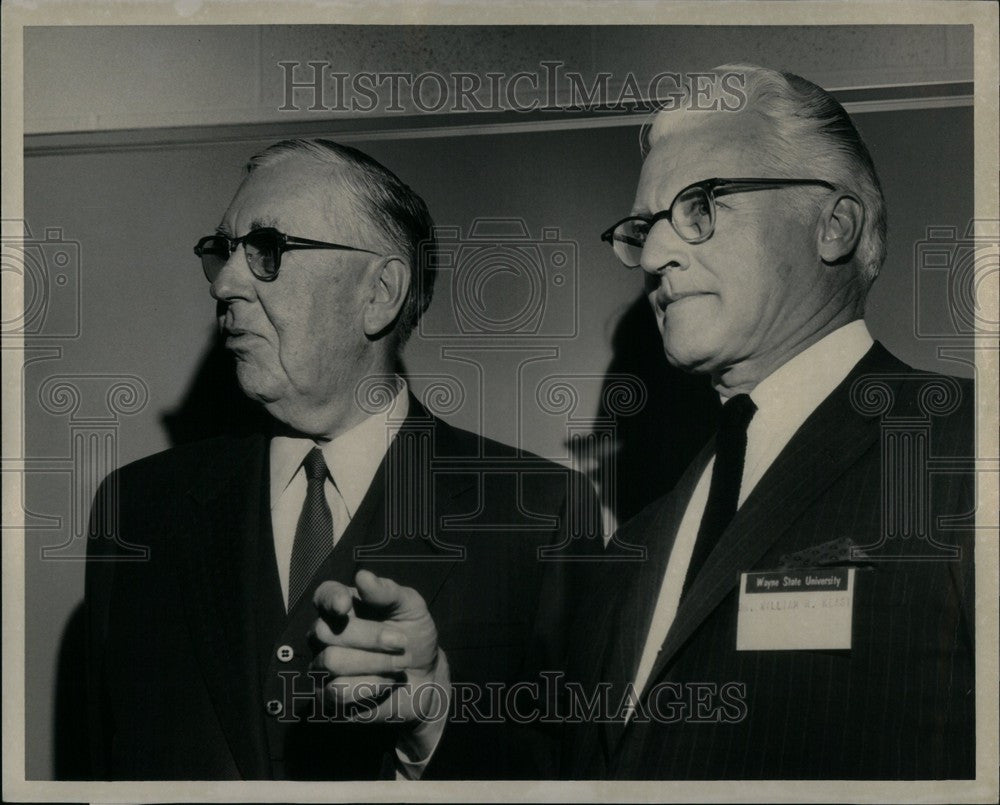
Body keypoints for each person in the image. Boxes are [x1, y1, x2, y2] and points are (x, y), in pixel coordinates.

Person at [84, 139, 600, 780]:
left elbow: (573, 775)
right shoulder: (135, 509)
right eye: (223, 251)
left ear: (381, 292)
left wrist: (434, 723)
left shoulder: (538, 514)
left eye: (268, 249)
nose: (224, 283)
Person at [560, 64, 975, 779]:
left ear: (833, 225)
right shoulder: (637, 539)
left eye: (700, 204)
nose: (655, 256)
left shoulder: (967, 448)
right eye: (642, 227)